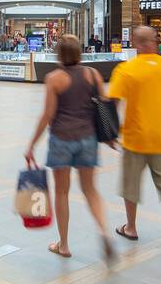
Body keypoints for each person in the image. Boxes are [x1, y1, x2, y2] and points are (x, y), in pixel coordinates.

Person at [25, 33, 114, 263]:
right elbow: (104, 107)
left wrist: (32, 144)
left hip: (62, 140)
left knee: (62, 192)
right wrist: (110, 136)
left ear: (59, 53)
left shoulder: (55, 78)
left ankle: (63, 245)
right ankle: (104, 231)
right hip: (88, 139)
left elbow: (48, 115)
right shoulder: (93, 74)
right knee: (90, 190)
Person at [106, 25, 161, 254]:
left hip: (135, 140)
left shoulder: (126, 70)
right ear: (156, 42)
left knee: (130, 186)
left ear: (135, 43)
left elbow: (111, 102)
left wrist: (109, 133)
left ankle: (131, 227)